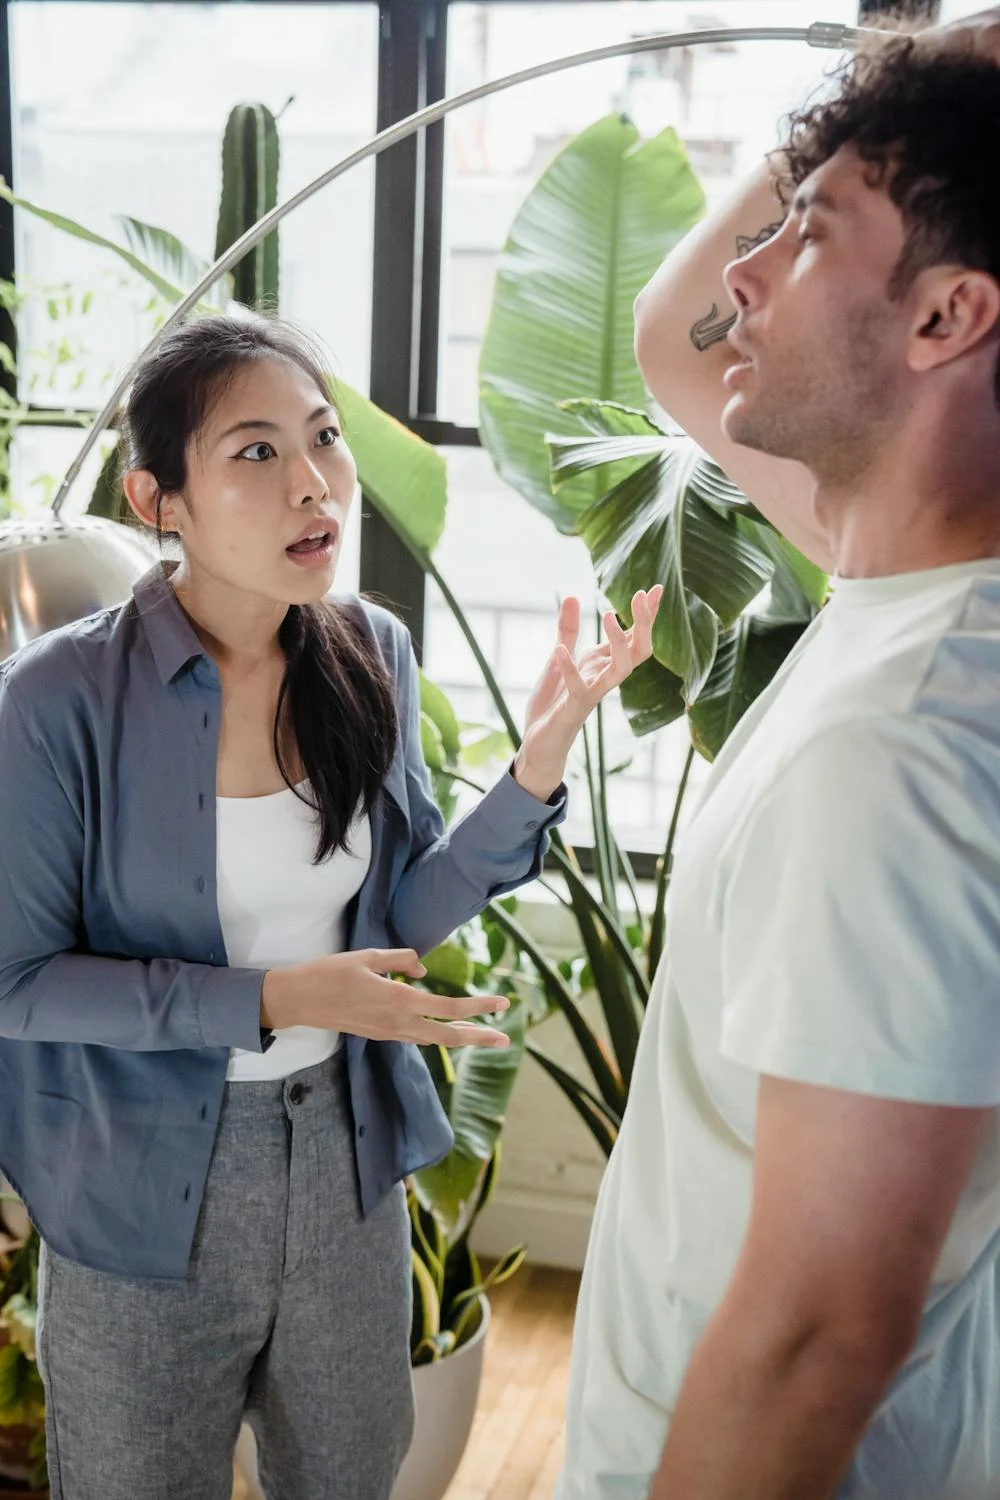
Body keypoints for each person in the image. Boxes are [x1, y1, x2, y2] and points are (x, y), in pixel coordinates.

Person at [0, 310, 662, 1500]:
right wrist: (271, 998)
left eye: (322, 440)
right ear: (160, 501)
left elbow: (402, 910)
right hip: (138, 1199)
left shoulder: (372, 651)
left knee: (353, 1475)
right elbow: (20, 983)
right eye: (255, 453)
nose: (314, 485)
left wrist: (538, 763)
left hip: (343, 1166)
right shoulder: (55, 702)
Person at [557, 11, 1000, 1500]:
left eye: (807, 237)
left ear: (948, 320)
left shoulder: (905, 739)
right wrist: (924, 71)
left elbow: (820, 1334)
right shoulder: (906, 586)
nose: (743, 274)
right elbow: (676, 332)